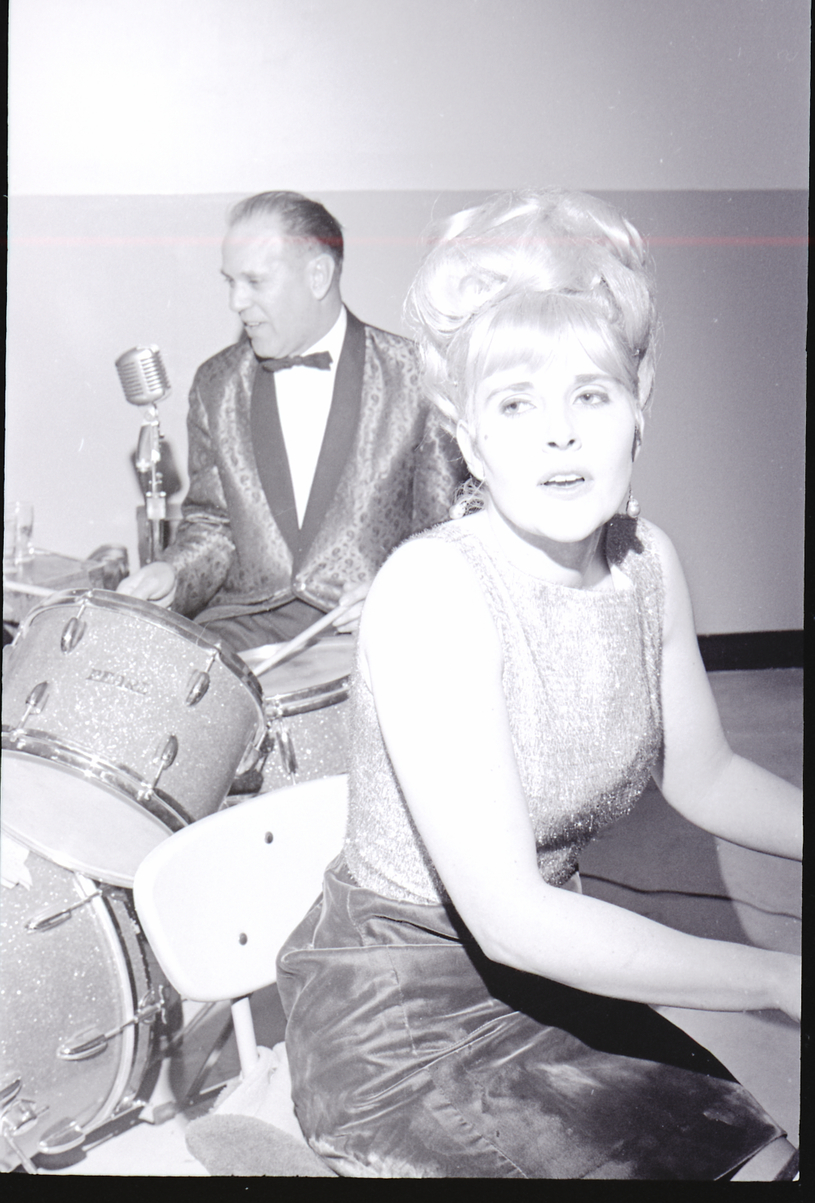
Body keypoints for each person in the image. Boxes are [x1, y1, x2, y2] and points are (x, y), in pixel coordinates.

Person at [274, 190, 802, 1179]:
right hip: (399, 1018)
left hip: (554, 966)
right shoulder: (433, 591)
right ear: (468, 437)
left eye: (589, 395)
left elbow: (707, 777)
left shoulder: (647, 563)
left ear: (639, 405)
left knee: (762, 1157)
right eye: (514, 402)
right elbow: (510, 918)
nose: (557, 434)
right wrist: (776, 979)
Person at [119, 191, 464, 650]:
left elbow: (446, 534)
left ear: (318, 276)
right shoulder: (216, 385)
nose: (236, 301)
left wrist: (398, 593)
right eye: (230, 282)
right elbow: (212, 525)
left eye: (254, 281)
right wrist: (172, 574)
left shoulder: (418, 377)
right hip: (243, 630)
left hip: (370, 634)